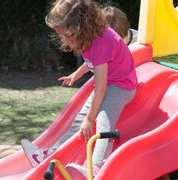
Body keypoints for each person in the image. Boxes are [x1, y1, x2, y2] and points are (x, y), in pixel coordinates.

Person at [21, 0, 138, 178]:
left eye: (66, 35)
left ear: (79, 28)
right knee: (79, 121)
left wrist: (91, 118)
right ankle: (49, 155)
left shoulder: (101, 41)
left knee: (103, 121)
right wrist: (77, 73)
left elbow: (101, 87)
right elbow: (94, 61)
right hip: (109, 81)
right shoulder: (89, 36)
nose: (63, 39)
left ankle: (98, 167)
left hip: (122, 86)